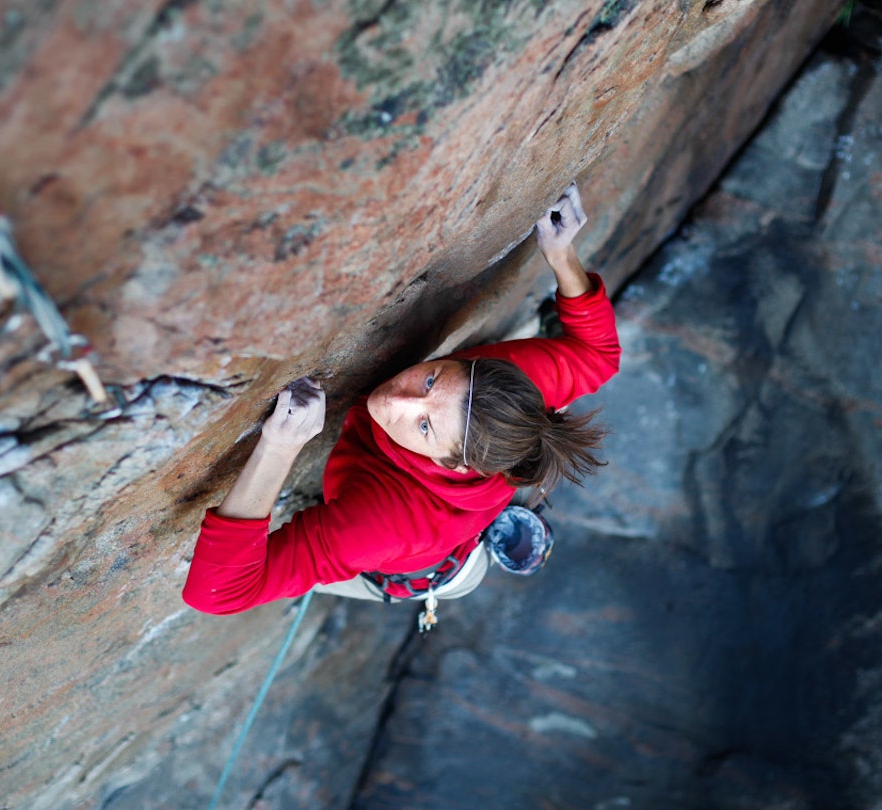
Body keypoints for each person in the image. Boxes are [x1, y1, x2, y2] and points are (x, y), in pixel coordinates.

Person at [183, 183, 620, 618]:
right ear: (473, 364)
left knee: (413, 572)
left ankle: (484, 544)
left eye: (424, 426)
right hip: (464, 508)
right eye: (430, 381)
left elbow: (219, 593)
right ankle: (499, 520)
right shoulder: (507, 380)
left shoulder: (381, 524)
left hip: (423, 568)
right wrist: (562, 256)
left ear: (455, 465)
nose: (396, 400)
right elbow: (600, 357)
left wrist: (278, 448)